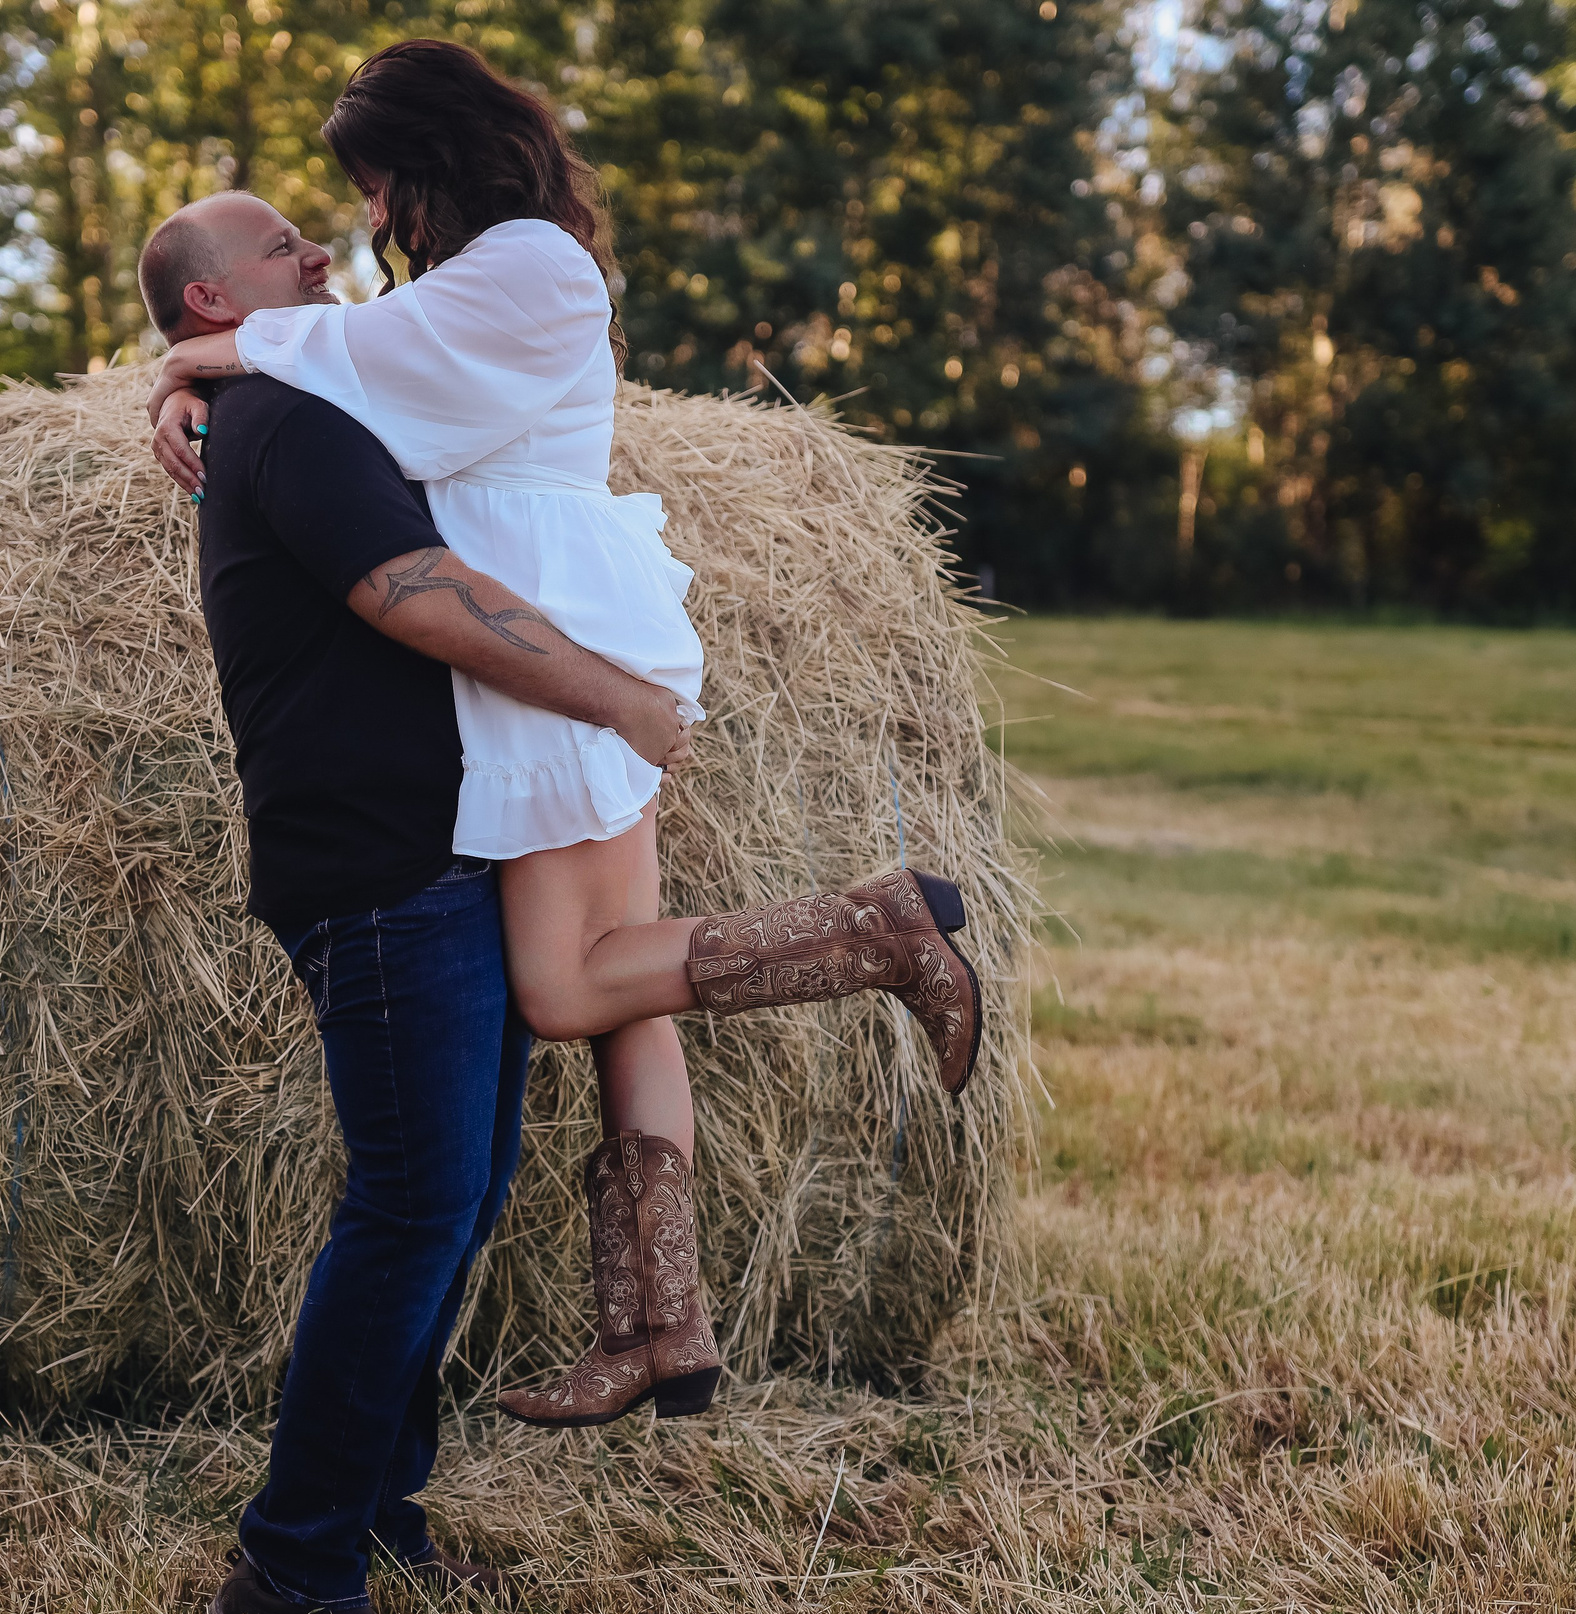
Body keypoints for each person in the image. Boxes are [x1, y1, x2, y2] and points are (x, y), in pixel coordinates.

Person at [141, 40, 981, 1442]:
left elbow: (340, 358)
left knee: (568, 981)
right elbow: (320, 369)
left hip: (561, 631)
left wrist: (185, 360)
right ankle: (658, 1320)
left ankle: (885, 932)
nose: (361, 227)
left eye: (367, 190)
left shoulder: (532, 265)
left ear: (426, 160)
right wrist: (177, 379)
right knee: (616, 981)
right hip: (557, 624)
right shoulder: (477, 281)